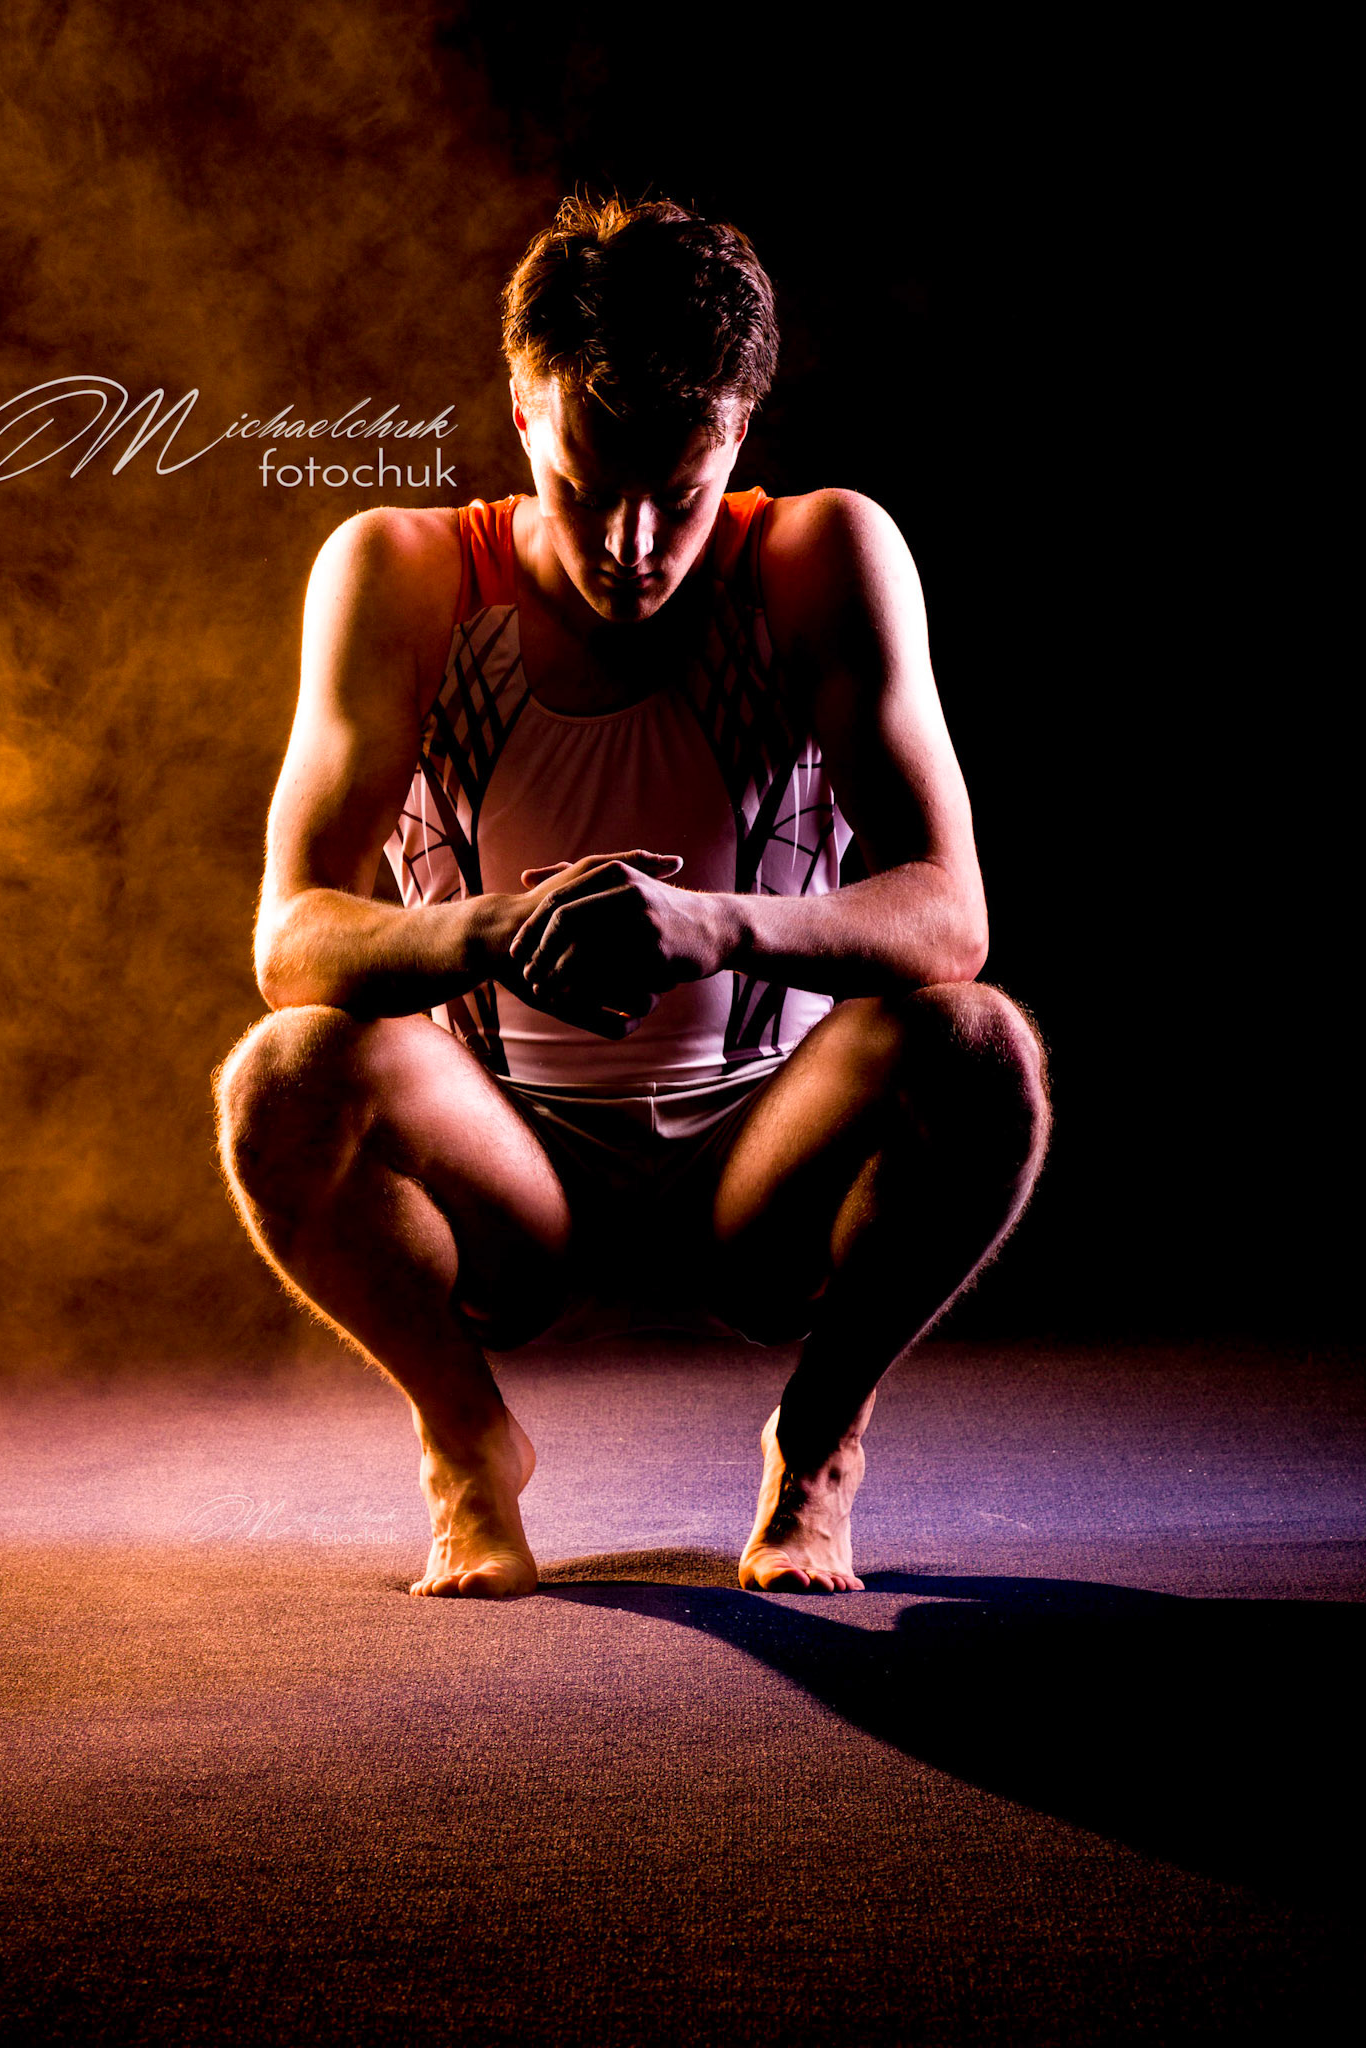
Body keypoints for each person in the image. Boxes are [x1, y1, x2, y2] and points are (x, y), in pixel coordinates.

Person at [213, 195, 1050, 1600]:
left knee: (978, 1046)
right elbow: (291, 937)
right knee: (283, 1074)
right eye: (585, 488)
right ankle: (466, 1441)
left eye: (679, 492)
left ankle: (821, 1443)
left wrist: (710, 928)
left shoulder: (820, 557)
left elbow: (949, 915)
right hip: (508, 1167)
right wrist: (498, 933)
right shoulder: (402, 572)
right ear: (523, 417)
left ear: (740, 431)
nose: (630, 543)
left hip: (758, 1165)